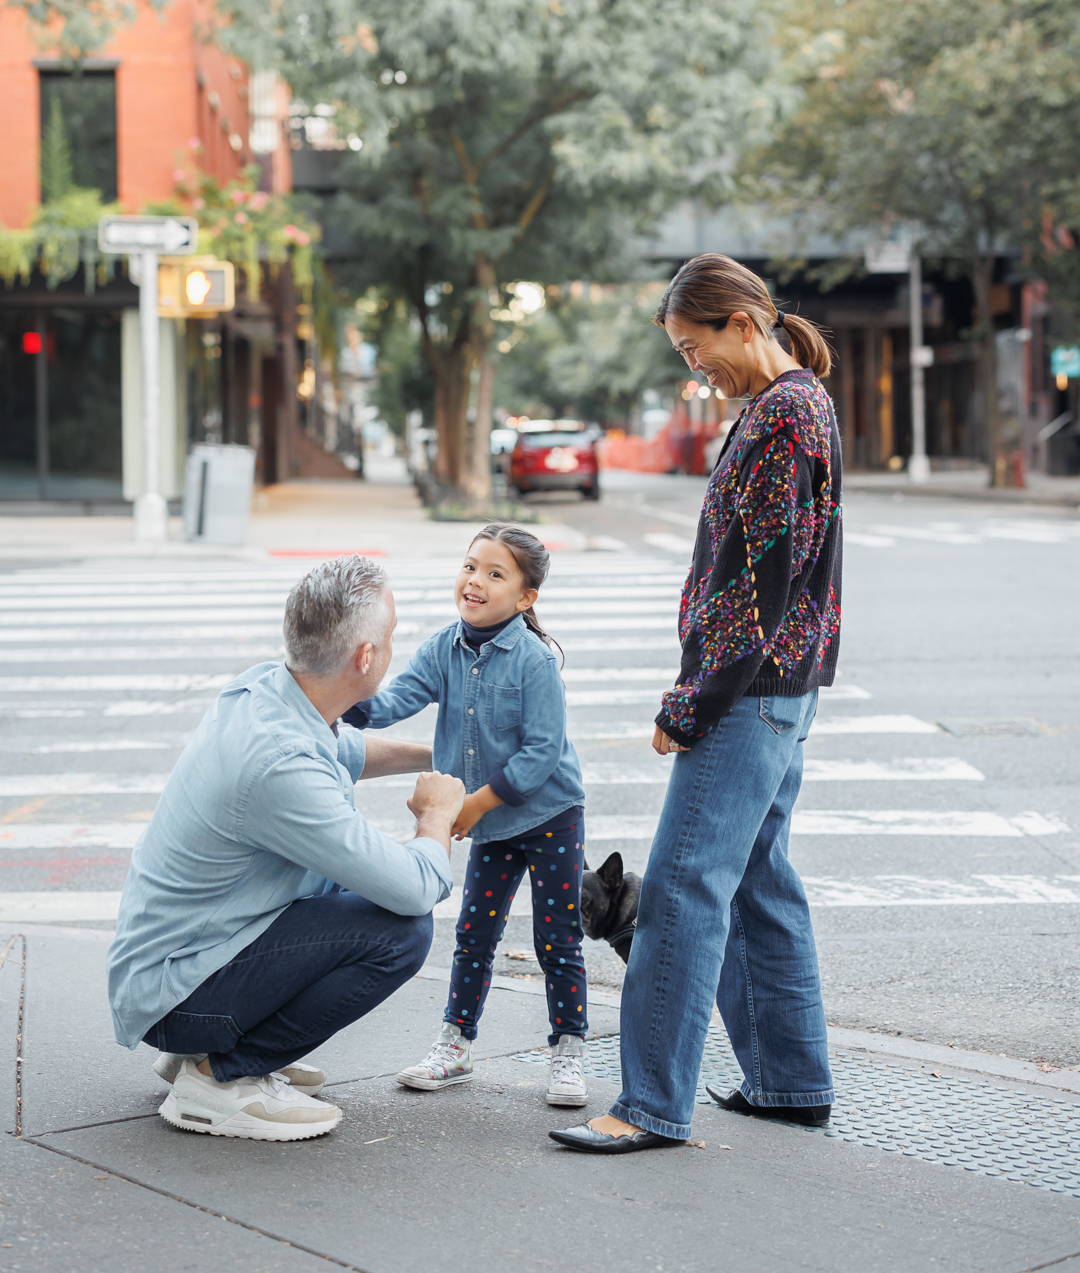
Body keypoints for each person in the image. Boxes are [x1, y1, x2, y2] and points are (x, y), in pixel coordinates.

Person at [551, 253, 842, 1154]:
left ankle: (649, 1104)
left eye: (696, 346)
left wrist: (691, 703)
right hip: (777, 689)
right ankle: (791, 1084)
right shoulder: (783, 408)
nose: (694, 368)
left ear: (743, 323)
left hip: (746, 692)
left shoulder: (786, 414)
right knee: (759, 884)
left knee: (680, 891)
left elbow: (762, 581)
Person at [106, 555, 465, 1142]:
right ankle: (220, 1076)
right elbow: (414, 887)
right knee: (402, 932)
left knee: (350, 884)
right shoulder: (279, 768)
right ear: (366, 657)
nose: (395, 645)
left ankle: (209, 1048)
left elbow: (345, 749)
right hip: (176, 994)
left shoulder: (267, 690)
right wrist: (435, 817)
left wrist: (441, 755)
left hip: (173, 964)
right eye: (392, 635)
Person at [342, 524, 589, 1108]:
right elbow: (393, 704)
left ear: (526, 598)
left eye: (495, 574)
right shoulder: (442, 649)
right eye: (470, 566)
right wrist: (341, 689)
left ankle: (569, 1050)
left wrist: (473, 803)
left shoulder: (533, 660)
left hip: (550, 814)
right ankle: (455, 1044)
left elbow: (541, 753)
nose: (475, 581)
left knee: (558, 937)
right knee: (474, 933)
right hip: (492, 825)